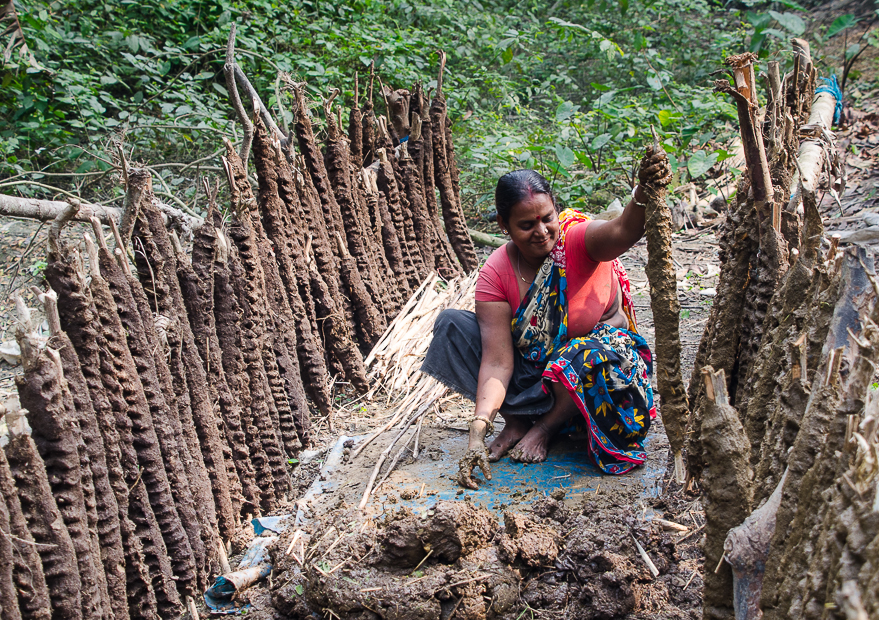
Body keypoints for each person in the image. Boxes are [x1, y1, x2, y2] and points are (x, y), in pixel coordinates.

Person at [420, 146, 671, 489]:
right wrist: (478, 431)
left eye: (547, 218)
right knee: (452, 325)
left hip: (596, 377)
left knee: (583, 350)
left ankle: (545, 427)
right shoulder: (496, 272)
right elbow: (497, 362)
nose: (541, 231)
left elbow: (624, 230)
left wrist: (643, 192)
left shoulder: (579, 241)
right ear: (503, 226)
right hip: (538, 374)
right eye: (526, 225)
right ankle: (517, 421)